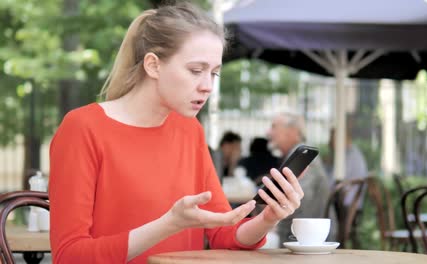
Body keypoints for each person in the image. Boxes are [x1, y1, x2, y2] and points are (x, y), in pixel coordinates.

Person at [49, 3, 305, 263]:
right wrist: (169, 224)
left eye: (214, 73)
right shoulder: (83, 128)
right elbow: (69, 256)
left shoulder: (189, 130)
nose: (207, 87)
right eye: (195, 71)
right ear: (153, 65)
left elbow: (222, 232)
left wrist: (266, 219)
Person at [267, 112, 335, 245]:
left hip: (305, 238)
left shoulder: (303, 159)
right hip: (299, 233)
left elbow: (299, 200)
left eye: (274, 127)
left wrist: (269, 222)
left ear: (292, 132)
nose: (268, 132)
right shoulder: (298, 155)